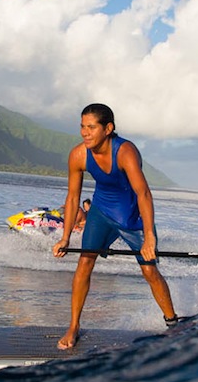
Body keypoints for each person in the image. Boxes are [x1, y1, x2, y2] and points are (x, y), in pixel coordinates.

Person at [52, 104, 178, 349]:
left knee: (149, 271)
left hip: (131, 217)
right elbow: (72, 198)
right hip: (100, 212)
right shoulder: (78, 155)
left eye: (91, 127)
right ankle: (74, 326)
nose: (85, 133)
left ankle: (173, 323)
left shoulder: (125, 152)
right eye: (82, 126)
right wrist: (65, 237)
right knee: (85, 262)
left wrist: (149, 236)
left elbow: (143, 194)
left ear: (108, 128)